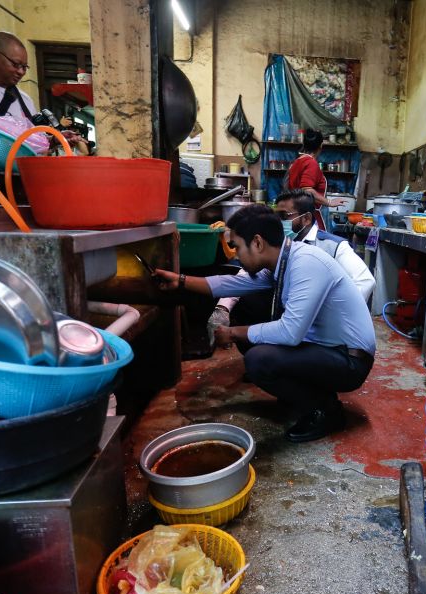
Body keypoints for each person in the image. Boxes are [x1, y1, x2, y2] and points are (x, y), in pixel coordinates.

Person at [153, 204, 376, 443]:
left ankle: (326, 411)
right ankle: (309, 394)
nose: (236, 254)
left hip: (350, 361)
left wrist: (234, 333)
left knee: (258, 359)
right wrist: (181, 281)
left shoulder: (306, 263)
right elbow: (230, 284)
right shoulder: (284, 260)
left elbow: (290, 333)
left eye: (237, 246)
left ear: (257, 243)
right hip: (328, 349)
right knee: (252, 325)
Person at [207, 189, 374, 349]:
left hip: (316, 328)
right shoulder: (278, 243)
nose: (279, 221)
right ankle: (266, 357)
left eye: (284, 216)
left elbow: (365, 281)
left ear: (306, 219)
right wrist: (223, 307)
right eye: (276, 215)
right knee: (247, 301)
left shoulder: (333, 245)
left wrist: (330, 319)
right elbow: (250, 273)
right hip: (286, 318)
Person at [286, 129, 345, 230]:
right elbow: (307, 190)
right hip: (311, 219)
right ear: (321, 146)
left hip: (298, 215)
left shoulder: (297, 162)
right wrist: (329, 202)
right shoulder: (311, 163)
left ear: (304, 144)